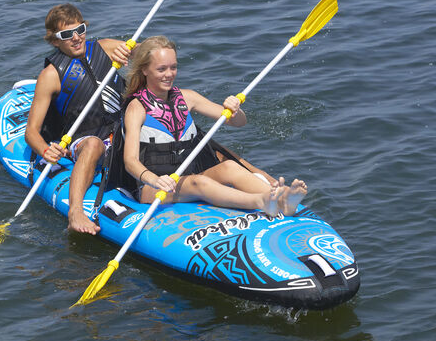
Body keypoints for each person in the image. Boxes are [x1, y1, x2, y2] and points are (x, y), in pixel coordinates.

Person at [121, 35, 308, 216]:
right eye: (161, 69)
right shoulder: (136, 109)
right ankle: (262, 201)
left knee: (230, 168)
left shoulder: (188, 98)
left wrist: (234, 110)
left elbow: (239, 123)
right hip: (152, 189)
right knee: (199, 182)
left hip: (189, 179)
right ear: (145, 70)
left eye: (173, 67)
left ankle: (283, 199)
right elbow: (130, 161)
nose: (169, 74)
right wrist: (154, 180)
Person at [25, 3, 131, 234]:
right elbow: (31, 132)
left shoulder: (105, 48)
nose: (76, 38)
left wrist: (135, 53)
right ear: (55, 41)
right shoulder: (50, 75)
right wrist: (45, 150)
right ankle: (75, 213)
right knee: (93, 144)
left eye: (80, 30)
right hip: (83, 138)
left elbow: (149, 53)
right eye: (66, 34)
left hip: (122, 130)